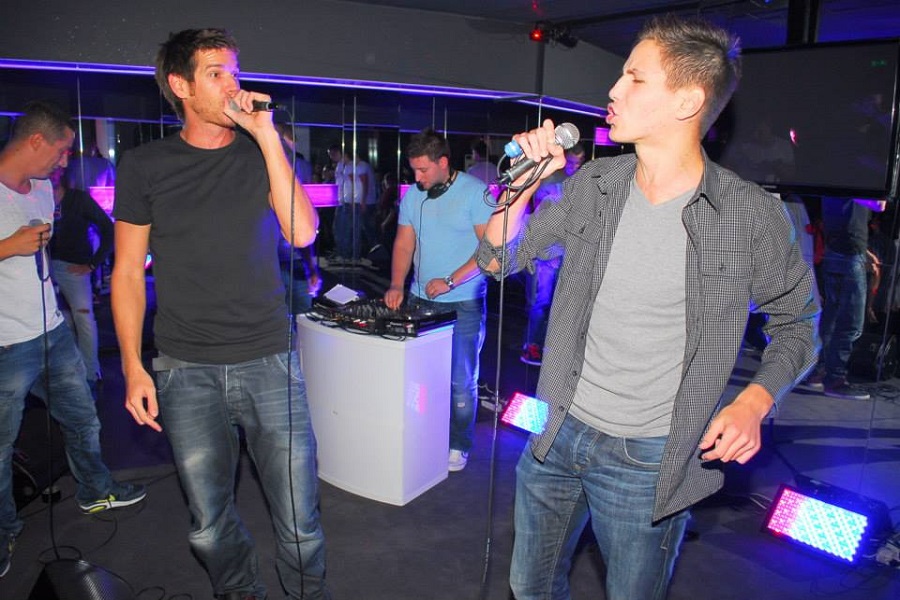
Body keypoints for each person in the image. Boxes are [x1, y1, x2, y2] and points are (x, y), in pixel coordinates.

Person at [475, 16, 819, 599]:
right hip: (558, 431)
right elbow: (497, 261)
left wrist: (755, 401)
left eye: (634, 78)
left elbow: (798, 324)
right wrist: (524, 186)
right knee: (530, 588)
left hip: (650, 459)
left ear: (688, 101)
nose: (613, 90)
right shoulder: (595, 185)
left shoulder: (749, 216)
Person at [110, 29, 328, 600]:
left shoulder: (262, 152)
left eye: (234, 71)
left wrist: (267, 136)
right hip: (186, 369)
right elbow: (128, 273)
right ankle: (240, 591)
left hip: (269, 362)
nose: (233, 85)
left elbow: (302, 232)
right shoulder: (145, 166)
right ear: (181, 86)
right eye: (216, 73)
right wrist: (133, 365)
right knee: (208, 525)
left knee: (300, 522)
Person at [0, 101, 146, 579]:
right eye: (61, 151)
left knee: (83, 418)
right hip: (5, 346)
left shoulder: (44, 189)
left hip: (52, 332)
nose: (65, 161)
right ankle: (4, 530)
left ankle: (95, 490)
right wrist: (7, 247)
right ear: (35, 141)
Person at [384, 128, 494, 472]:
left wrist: (450, 281)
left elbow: (490, 252)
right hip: (420, 300)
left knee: (461, 381)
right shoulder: (414, 197)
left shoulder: (476, 194)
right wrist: (397, 284)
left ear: (443, 163)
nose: (417, 178)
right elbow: (404, 244)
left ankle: (459, 444)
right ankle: (425, 435)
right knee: (421, 377)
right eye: (413, 170)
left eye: (423, 170)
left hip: (464, 302)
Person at [806, 196, 885, 400]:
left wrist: (864, 252)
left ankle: (819, 371)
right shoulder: (858, 183)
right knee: (851, 322)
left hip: (838, 251)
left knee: (832, 317)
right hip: (848, 255)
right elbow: (879, 205)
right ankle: (835, 379)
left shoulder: (839, 182)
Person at [519, 142, 585, 366]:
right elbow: (542, 218)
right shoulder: (550, 181)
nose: (574, 167)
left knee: (557, 303)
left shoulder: (577, 182)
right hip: (545, 253)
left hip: (564, 252)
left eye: (579, 163)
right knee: (540, 302)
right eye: (572, 162)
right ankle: (531, 347)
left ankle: (548, 347)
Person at [48, 165, 114, 385]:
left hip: (73, 268)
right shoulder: (38, 200)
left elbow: (108, 229)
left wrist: (93, 264)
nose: (50, 175)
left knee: (83, 318)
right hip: (46, 270)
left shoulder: (78, 199)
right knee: (61, 322)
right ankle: (70, 372)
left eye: (54, 171)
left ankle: (91, 372)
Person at [329, 145, 376, 262]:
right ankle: (347, 254)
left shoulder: (354, 166)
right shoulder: (344, 166)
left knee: (350, 229)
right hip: (346, 200)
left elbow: (360, 184)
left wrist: (360, 200)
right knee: (345, 228)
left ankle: (351, 255)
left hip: (352, 201)